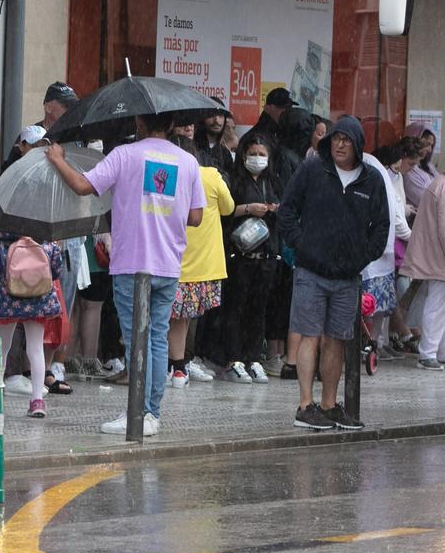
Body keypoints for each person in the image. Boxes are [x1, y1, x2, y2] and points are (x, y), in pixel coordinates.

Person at [45, 116, 203, 438]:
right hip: (168, 264)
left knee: (136, 341)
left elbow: (82, 186)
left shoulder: (124, 155)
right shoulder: (188, 161)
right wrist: (163, 205)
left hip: (132, 262)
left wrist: (58, 159)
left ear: (139, 122)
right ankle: (151, 414)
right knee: (157, 339)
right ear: (173, 123)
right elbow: (196, 216)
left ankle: (138, 413)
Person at [276, 114, 390, 431]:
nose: (340, 144)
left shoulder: (372, 180)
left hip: (347, 276)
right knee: (309, 336)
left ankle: (328, 405)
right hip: (311, 271)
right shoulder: (313, 169)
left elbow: (381, 227)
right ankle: (305, 405)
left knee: (337, 340)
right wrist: (303, 246)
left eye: (347, 140)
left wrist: (361, 258)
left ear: (358, 146)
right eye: (336, 138)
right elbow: (286, 211)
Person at [219, 130, 285, 383]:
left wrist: (273, 210)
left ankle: (254, 356)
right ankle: (233, 358)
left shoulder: (273, 182)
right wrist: (248, 209)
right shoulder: (235, 180)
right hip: (240, 255)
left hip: (266, 255)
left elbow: (286, 211)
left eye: (262, 154)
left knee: (258, 309)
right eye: (252, 154)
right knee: (236, 307)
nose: (257, 158)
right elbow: (224, 212)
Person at [0, 231, 66, 418]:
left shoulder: (1, 236)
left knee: (2, 347)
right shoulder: (43, 233)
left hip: (7, 300)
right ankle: (37, 401)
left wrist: (1, 285)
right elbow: (57, 268)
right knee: (35, 349)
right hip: (38, 299)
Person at [168, 150, 234, 389]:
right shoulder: (210, 176)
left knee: (165, 318)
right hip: (202, 264)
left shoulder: (165, 174)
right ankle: (178, 367)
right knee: (182, 319)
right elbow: (229, 207)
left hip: (169, 258)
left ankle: (173, 365)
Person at [405, 152, 445, 370]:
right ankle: (429, 352)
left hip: (437, 256)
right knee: (440, 306)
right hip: (444, 259)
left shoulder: (442, 183)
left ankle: (444, 352)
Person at [361, 135, 414, 359]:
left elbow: (394, 212)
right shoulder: (374, 174)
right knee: (368, 305)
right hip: (372, 253)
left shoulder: (386, 178)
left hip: (383, 251)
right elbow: (394, 216)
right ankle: (370, 344)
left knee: (379, 305)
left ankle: (377, 343)